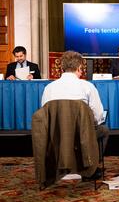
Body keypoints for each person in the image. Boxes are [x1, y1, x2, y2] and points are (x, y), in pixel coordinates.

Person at [41, 51, 109, 181]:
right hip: (82, 136)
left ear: (62, 68)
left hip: (57, 135)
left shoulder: (49, 88)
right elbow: (98, 116)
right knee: (103, 130)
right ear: (79, 68)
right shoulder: (87, 87)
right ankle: (91, 169)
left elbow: (45, 115)